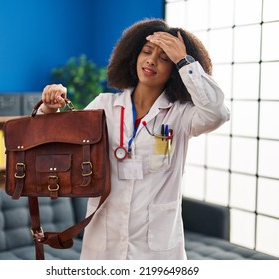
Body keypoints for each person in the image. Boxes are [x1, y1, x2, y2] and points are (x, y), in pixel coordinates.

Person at [38, 18, 230, 260]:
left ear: (174, 70)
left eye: (164, 58)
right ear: (133, 56)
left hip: (156, 250)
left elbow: (218, 113)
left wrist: (185, 61)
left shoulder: (181, 115)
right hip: (104, 243)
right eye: (147, 52)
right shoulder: (104, 105)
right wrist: (50, 108)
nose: (151, 60)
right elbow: (58, 143)